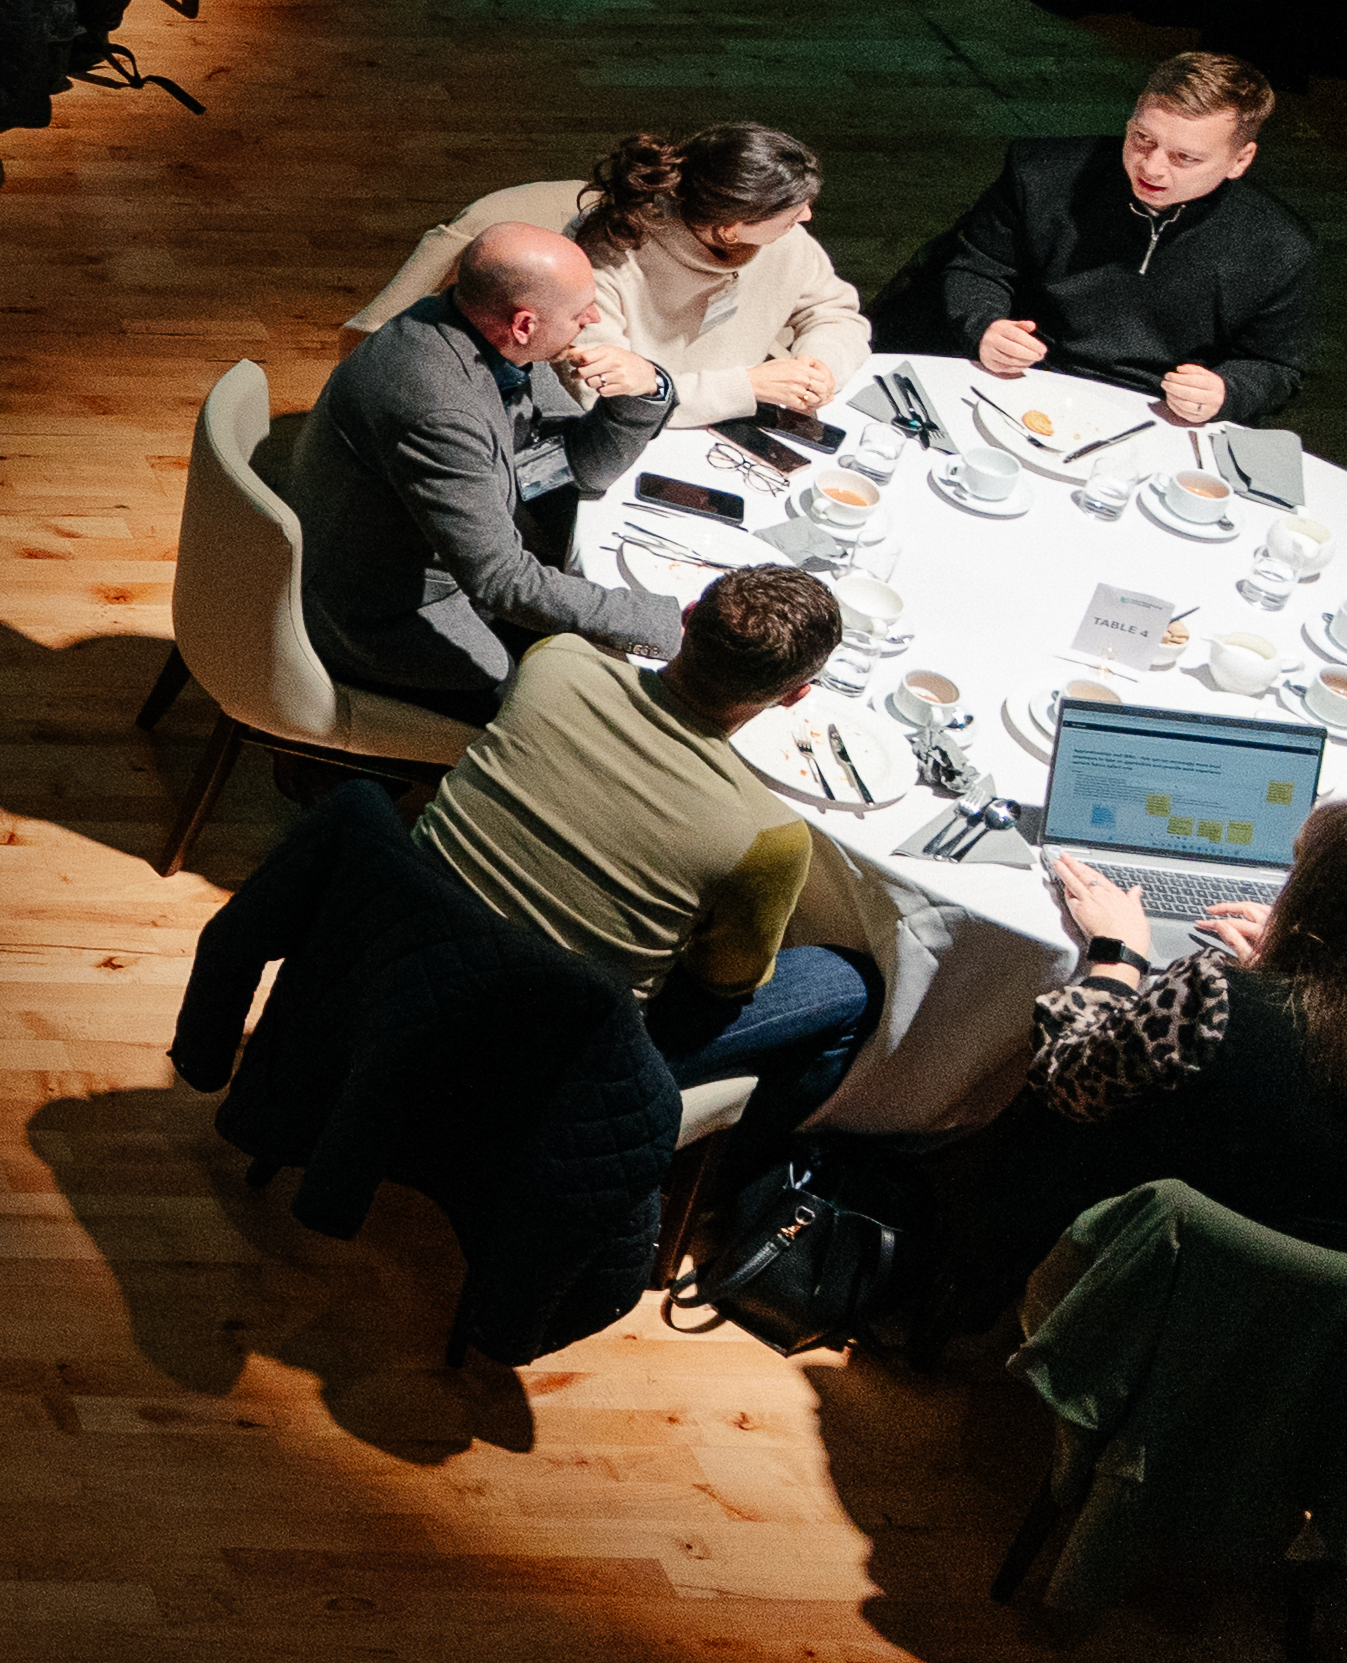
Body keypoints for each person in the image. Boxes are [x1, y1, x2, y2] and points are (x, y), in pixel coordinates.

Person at [407, 565, 874, 1148]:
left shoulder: (557, 661)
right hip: (551, 1061)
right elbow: (723, 988)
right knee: (852, 983)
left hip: (406, 956)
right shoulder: (770, 834)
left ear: (683, 623)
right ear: (794, 695)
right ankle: (735, 1185)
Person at [902, 798, 1347, 1332]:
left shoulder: (1214, 996)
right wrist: (1307, 966)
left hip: (1134, 1259)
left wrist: (1119, 958)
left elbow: (1065, 1075)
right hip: (1298, 1324)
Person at [295, 225, 684, 721]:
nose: (594, 318)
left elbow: (568, 473)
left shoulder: (479, 333)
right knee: (570, 715)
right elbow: (503, 581)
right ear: (523, 323)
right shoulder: (440, 409)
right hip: (378, 618)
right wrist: (674, 625)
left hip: (453, 578)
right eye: (578, 312)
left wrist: (645, 391)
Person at [920, 52, 1313, 430]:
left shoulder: (1279, 246)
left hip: (1156, 410)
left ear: (1240, 160)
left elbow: (1275, 365)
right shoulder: (1041, 174)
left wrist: (1227, 392)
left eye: (1185, 158)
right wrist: (984, 325)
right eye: (1143, 137)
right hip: (1025, 378)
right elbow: (978, 266)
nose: (1152, 167)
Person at [565, 124, 868, 426]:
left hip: (735, 420)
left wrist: (819, 366)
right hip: (638, 434)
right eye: (790, 214)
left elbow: (834, 314)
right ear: (730, 230)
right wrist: (745, 387)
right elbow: (598, 394)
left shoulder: (783, 240)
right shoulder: (607, 258)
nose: (805, 216)